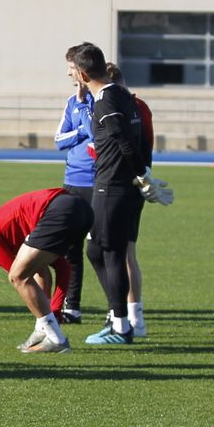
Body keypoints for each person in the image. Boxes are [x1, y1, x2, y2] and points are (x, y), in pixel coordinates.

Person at [72, 42, 145, 346]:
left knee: (110, 251)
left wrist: (142, 174)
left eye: (72, 72)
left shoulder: (106, 101)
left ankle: (121, 326)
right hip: (117, 185)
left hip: (111, 186)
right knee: (95, 250)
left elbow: (124, 140)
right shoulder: (120, 94)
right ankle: (119, 318)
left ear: (84, 74)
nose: (71, 76)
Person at [0, 188, 91, 355]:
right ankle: (44, 330)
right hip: (81, 207)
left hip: (59, 209)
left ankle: (56, 339)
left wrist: (53, 313)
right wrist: (55, 311)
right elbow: (59, 268)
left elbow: (21, 277)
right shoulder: (10, 233)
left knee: (17, 276)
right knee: (29, 272)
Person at [105, 62, 155, 338]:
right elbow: (146, 145)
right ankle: (131, 315)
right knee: (125, 253)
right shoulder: (139, 107)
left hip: (118, 184)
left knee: (118, 253)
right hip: (135, 181)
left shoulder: (122, 107)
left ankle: (126, 317)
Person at [51, 45, 95, 325]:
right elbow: (58, 141)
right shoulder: (71, 102)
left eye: (70, 69)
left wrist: (82, 119)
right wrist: (78, 131)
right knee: (70, 249)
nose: (68, 74)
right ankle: (72, 307)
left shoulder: (98, 99)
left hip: (97, 181)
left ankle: (119, 313)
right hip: (72, 181)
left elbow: (95, 134)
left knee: (100, 249)